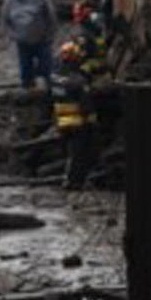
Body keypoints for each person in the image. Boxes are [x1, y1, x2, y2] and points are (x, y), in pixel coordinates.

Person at [49, 43, 97, 190]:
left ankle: (71, 179)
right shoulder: (78, 81)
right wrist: (93, 121)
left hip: (62, 121)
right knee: (79, 154)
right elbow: (86, 105)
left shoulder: (54, 77)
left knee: (70, 153)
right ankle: (73, 182)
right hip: (77, 123)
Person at [0, 0, 56, 91]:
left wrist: (50, 33)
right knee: (26, 70)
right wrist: (13, 36)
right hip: (23, 42)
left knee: (46, 68)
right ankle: (28, 90)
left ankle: (48, 90)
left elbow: (50, 13)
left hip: (42, 39)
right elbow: (5, 22)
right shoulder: (9, 1)